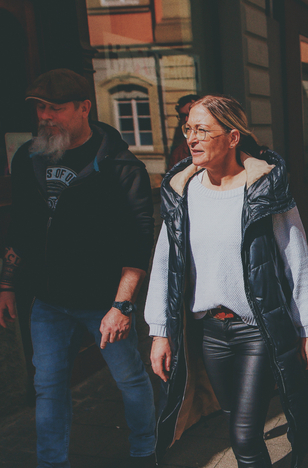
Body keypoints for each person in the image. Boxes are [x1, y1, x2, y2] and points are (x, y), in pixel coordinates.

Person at [145, 95, 308, 468]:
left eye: (203, 131)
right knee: (232, 411)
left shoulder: (262, 188)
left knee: (243, 436)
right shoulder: (182, 191)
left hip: (256, 328)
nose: (192, 139)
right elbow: (165, 263)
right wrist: (160, 331)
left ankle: (265, 381)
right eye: (188, 129)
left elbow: (297, 257)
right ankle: (259, 391)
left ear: (232, 137)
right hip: (211, 332)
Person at [0, 68, 156, 468]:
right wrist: (7, 283)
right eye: (40, 108)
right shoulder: (28, 157)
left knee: (130, 380)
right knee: (48, 386)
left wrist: (121, 307)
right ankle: (52, 463)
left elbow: (137, 243)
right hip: (49, 300)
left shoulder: (122, 168)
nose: (45, 117)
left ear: (84, 107)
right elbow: (20, 226)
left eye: (55, 108)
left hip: (103, 301)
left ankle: (144, 452)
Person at [167, 93, 200, 170]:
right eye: (182, 116)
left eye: (189, 114)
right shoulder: (178, 153)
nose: (186, 119)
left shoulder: (214, 141)